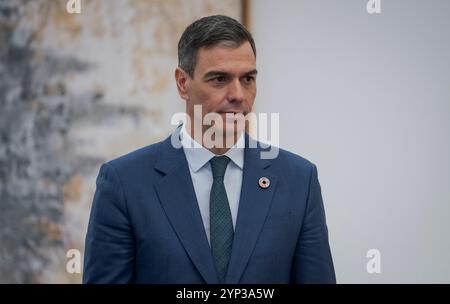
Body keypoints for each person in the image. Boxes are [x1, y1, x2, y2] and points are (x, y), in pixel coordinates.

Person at [83, 15, 336, 284]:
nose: (238, 94)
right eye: (219, 79)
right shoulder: (125, 182)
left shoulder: (298, 179)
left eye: (248, 79)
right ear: (183, 83)